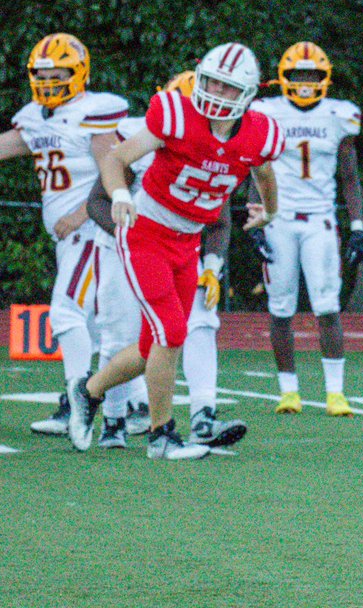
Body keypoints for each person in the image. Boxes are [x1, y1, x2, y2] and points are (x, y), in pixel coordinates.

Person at [67, 42, 284, 460]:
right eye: (212, 83)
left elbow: (265, 174)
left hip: (188, 243)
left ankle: (87, 392)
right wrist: (119, 195)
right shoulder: (176, 115)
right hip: (146, 232)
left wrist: (270, 212)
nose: (216, 93)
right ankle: (161, 436)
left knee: (154, 345)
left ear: (247, 94)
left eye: (227, 87)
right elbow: (115, 159)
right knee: (171, 331)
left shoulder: (259, 133)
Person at [0, 33, 145, 435]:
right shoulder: (35, 116)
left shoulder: (94, 112)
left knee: (66, 312)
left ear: (79, 73)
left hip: (91, 231)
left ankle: (78, 403)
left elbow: (117, 170)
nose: (47, 82)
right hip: (69, 238)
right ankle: (134, 404)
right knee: (98, 325)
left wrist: (81, 213)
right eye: (41, 75)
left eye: (57, 74)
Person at [83, 70, 247, 450]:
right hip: (129, 241)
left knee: (195, 323)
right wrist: (130, 231)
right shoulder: (144, 136)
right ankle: (116, 421)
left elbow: (221, 220)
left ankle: (202, 416)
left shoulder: (219, 148)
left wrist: (213, 267)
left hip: (183, 247)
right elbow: (97, 200)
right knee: (127, 331)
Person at [254, 42, 363, 417]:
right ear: (284, 78)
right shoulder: (268, 113)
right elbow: (258, 168)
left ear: (324, 78)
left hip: (320, 221)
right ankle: (289, 392)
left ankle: (335, 393)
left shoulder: (339, 115)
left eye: (311, 75)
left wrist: (358, 226)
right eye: (298, 75)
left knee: (327, 307)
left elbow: (349, 176)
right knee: (280, 307)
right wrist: (257, 219)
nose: (304, 82)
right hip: (278, 219)